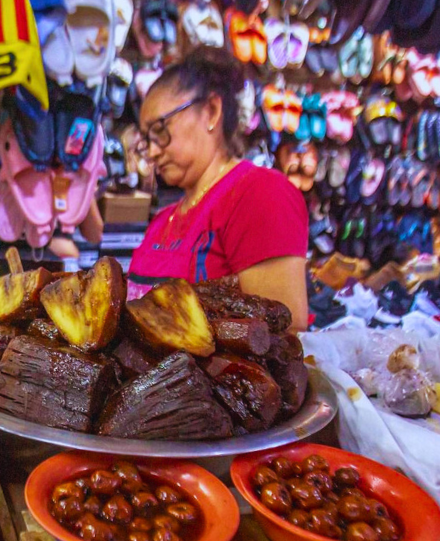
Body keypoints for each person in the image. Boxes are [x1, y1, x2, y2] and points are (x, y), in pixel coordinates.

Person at [128, 46, 309, 329]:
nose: (151, 151)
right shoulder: (163, 220)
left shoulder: (260, 194)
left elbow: (282, 335)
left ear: (211, 111)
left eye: (160, 130)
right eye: (145, 139)